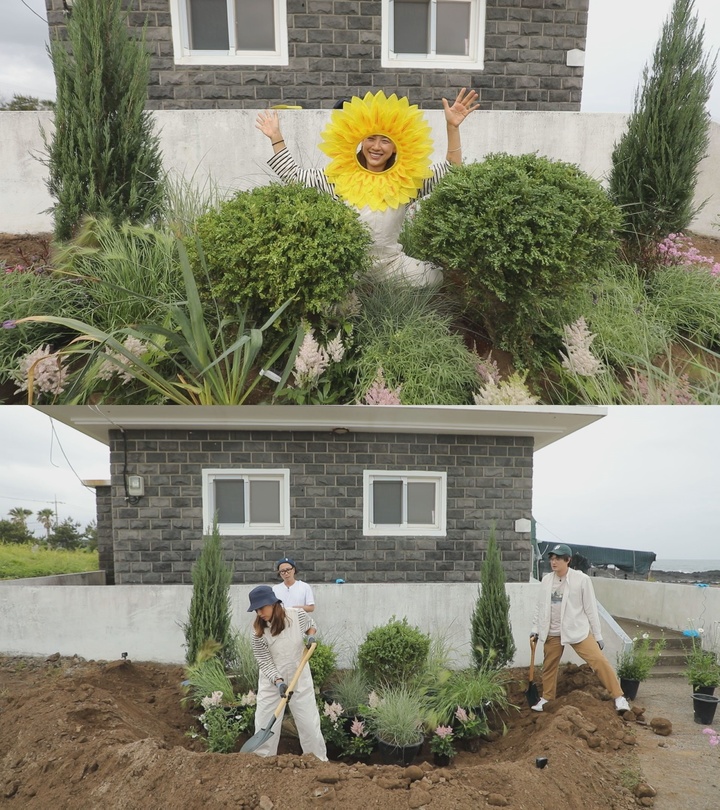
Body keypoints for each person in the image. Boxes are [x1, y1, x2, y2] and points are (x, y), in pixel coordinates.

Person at [255, 88, 479, 286]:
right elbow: (294, 176)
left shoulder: (407, 180)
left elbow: (451, 171)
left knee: (436, 277)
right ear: (361, 140)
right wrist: (276, 136)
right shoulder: (337, 177)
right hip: (347, 266)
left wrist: (452, 127)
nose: (377, 147)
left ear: (396, 147)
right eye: (371, 138)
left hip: (392, 265)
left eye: (386, 140)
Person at [530, 543, 631, 714]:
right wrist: (535, 628)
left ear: (568, 560)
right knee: (549, 666)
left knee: (598, 661)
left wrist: (598, 635)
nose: (554, 562)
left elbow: (591, 608)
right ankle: (547, 699)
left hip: (577, 631)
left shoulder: (582, 580)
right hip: (552, 632)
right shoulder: (546, 580)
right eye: (552, 559)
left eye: (558, 559)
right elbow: (540, 607)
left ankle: (619, 697)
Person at [247, 585, 327, 760]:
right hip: (272, 683)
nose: (259, 613)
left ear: (273, 603)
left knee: (309, 724)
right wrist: (278, 681)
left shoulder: (296, 615)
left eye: (262, 607)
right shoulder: (258, 633)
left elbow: (311, 625)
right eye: (256, 609)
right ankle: (263, 765)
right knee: (264, 723)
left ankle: (317, 763)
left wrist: (311, 636)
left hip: (300, 677)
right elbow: (264, 661)